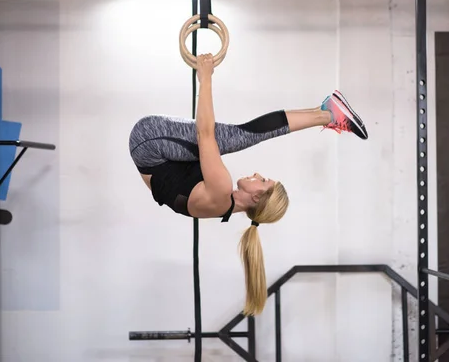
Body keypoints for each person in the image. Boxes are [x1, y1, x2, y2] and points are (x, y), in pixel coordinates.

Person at [128, 54, 368, 316]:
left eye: (262, 181)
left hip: (148, 143)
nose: (257, 174)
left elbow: (204, 132)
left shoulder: (220, 193)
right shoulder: (222, 203)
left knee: (233, 138)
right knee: (235, 138)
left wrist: (205, 77)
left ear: (256, 199)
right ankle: (325, 112)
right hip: (157, 155)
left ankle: (327, 115)